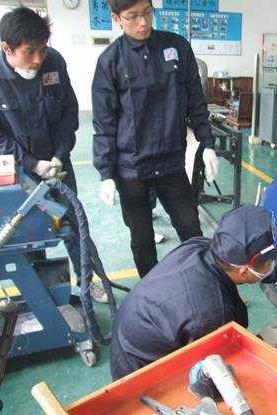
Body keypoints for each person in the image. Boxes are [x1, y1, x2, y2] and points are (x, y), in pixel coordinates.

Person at [110, 204, 277, 380]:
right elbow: (216, 372)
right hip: (142, 377)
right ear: (245, 271)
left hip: (130, 340)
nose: (274, 262)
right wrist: (261, 343)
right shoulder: (210, 314)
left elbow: (252, 265)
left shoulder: (200, 246)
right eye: (272, 260)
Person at [0, 7, 107, 302]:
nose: (38, 59)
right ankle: (42, 292)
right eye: (29, 52)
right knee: (29, 231)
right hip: (18, 170)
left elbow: (69, 112)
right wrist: (31, 164)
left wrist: (60, 155)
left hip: (56, 164)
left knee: (74, 224)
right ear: (7, 48)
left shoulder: (54, 62)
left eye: (42, 49)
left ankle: (89, 282)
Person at [92, 0, 219, 278]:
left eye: (147, 13)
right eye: (132, 16)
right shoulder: (110, 61)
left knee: (191, 228)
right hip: (132, 168)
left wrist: (207, 143)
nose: (143, 23)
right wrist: (106, 173)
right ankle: (152, 289)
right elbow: (104, 123)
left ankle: (203, 283)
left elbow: (196, 101)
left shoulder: (177, 47)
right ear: (116, 18)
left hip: (171, 162)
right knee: (142, 238)